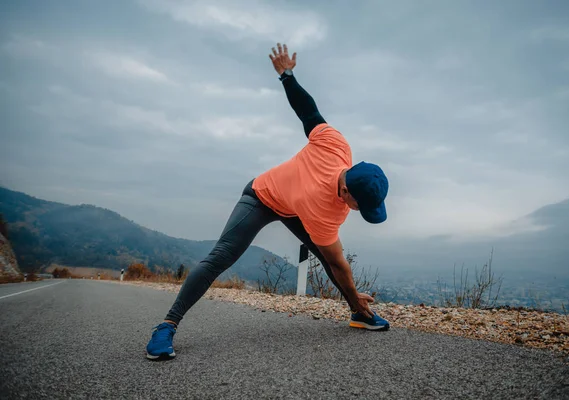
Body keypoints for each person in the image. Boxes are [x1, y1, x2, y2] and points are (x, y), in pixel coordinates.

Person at [146, 43, 390, 360]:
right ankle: (166, 325)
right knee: (221, 257)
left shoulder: (337, 146)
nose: (360, 212)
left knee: (325, 254)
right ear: (345, 193)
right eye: (361, 206)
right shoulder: (325, 207)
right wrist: (356, 294)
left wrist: (287, 75)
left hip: (293, 206)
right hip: (262, 196)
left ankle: (358, 314)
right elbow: (338, 263)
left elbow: (308, 110)